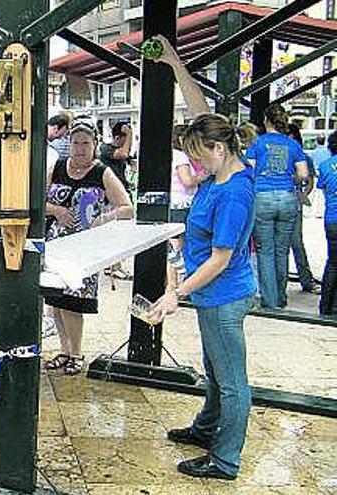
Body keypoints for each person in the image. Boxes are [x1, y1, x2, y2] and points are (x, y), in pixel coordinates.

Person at [149, 35, 257, 481]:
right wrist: (175, 63)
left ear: (218, 150)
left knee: (232, 382)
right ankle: (205, 427)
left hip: (224, 294)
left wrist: (177, 293)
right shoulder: (222, 163)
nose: (194, 165)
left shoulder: (233, 192)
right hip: (213, 294)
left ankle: (224, 460)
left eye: (198, 156)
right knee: (216, 368)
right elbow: (201, 114)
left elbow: (220, 259)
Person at [43, 120, 134, 375]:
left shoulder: (102, 172)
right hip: (56, 243)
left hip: (84, 247)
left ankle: (76, 352)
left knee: (74, 302)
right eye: (75, 143)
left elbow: (126, 207)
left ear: (94, 145)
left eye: (85, 143)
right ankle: (64, 349)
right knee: (57, 301)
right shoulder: (58, 167)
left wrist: (102, 219)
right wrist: (57, 210)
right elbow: (37, 198)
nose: (80, 149)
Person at [245, 104, 308, 308]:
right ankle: (281, 297)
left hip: (262, 196)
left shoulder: (258, 143)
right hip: (287, 197)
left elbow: (249, 169)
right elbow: (304, 174)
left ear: (266, 120)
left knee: (265, 250)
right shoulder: (293, 145)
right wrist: (291, 180)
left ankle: (269, 300)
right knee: (282, 250)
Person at [168, 124, 205, 289]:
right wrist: (202, 176)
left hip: (170, 203)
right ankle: (176, 284)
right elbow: (187, 181)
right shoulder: (181, 157)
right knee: (178, 247)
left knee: (171, 246)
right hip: (183, 204)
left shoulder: (167, 154)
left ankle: (171, 284)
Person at [286, 123, 319, 294]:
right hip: (288, 200)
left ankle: (306, 280)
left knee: (296, 244)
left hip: (295, 202)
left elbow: (310, 181)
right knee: (283, 246)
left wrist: (302, 193)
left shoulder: (304, 157)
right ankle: (282, 281)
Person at [316, 131, 337, 314]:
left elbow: (321, 186)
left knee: (332, 262)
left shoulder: (325, 165)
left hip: (332, 219)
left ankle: (325, 306)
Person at [99, 121, 134, 195]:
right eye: (127, 140)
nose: (129, 144)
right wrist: (129, 134)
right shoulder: (105, 148)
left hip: (122, 190)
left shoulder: (123, 153)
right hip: (111, 192)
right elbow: (123, 154)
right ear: (117, 137)